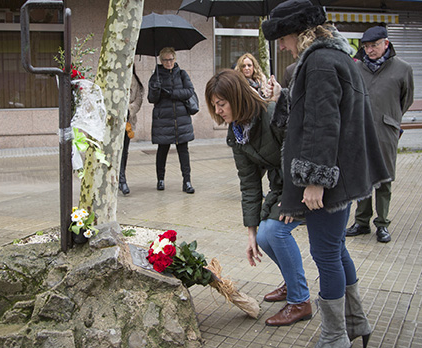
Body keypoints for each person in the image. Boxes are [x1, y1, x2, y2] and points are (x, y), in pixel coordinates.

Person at [262, 0, 391, 347]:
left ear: (298, 33)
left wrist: (315, 180)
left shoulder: (318, 62)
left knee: (326, 256)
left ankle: (335, 338)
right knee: (336, 251)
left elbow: (322, 125)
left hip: (329, 180)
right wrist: (284, 97)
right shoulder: (331, 56)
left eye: (284, 39)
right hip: (344, 175)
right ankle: (356, 324)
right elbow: (319, 110)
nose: (282, 46)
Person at [205, 69, 312, 326]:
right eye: (213, 106)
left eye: (221, 104)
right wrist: (250, 232)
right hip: (282, 184)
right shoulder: (237, 133)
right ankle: (292, 281)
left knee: (276, 233)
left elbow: (299, 151)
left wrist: (291, 197)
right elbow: (249, 183)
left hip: (306, 181)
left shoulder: (271, 112)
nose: (218, 111)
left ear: (237, 97)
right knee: (263, 237)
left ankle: (301, 301)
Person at [346, 25, 414, 243]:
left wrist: (391, 119)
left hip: (386, 131)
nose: (369, 50)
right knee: (363, 176)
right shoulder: (356, 68)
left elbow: (406, 99)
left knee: (384, 178)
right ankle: (361, 221)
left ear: (386, 43)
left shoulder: (403, 69)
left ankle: (382, 224)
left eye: (374, 45)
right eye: (365, 46)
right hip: (361, 130)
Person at [148, 47, 196, 194]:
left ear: (175, 59)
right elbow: (151, 99)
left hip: (181, 119)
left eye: (170, 59)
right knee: (162, 150)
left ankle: (187, 181)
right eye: (165, 60)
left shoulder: (182, 74)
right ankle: (160, 179)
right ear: (160, 60)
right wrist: (155, 90)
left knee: (183, 150)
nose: (168, 62)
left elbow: (189, 91)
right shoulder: (155, 76)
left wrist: (172, 93)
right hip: (163, 119)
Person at [119, 65, 145, 195]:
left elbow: (138, 99)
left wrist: (129, 109)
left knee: (124, 151)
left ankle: (122, 179)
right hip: (111, 121)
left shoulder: (134, 80)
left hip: (127, 121)